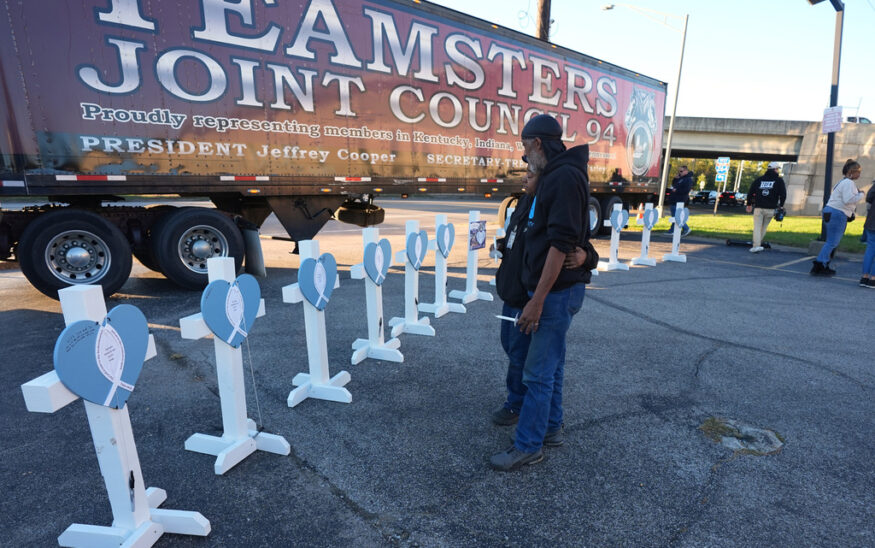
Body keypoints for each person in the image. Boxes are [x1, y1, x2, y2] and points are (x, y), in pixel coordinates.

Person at [489, 114, 590, 471]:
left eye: (524, 147)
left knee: (537, 373)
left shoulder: (562, 177)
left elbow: (561, 245)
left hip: (554, 295)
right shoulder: (556, 176)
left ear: (536, 143)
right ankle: (551, 429)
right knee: (551, 366)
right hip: (554, 292)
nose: (524, 157)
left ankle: (528, 445)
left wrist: (537, 300)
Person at [492, 166, 587, 427]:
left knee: (533, 365)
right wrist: (504, 245)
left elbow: (574, 246)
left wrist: (587, 257)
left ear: (544, 180)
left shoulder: (553, 205)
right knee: (513, 350)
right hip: (511, 293)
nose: (524, 178)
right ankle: (544, 420)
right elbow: (521, 240)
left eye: (530, 174)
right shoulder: (524, 202)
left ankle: (521, 409)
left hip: (528, 299)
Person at [811, 159, 865, 276]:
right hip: (837, 213)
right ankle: (820, 265)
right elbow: (848, 200)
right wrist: (861, 195)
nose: (859, 175)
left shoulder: (841, 182)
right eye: (858, 172)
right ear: (851, 172)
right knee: (832, 242)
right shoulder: (849, 183)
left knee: (830, 242)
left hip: (830, 211)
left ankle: (821, 264)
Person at [745, 161, 787, 253]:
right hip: (770, 209)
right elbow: (783, 195)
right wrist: (781, 206)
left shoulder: (759, 180)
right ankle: (757, 245)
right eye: (777, 169)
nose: (778, 171)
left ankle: (756, 245)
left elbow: (751, 192)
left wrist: (749, 204)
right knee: (763, 227)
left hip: (758, 208)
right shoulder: (779, 181)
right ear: (775, 169)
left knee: (757, 226)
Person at [666, 165, 693, 236]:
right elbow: (674, 185)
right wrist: (675, 179)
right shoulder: (681, 178)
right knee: (674, 216)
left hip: (679, 199)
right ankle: (672, 230)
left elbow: (686, 190)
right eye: (679, 171)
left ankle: (686, 228)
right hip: (674, 199)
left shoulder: (688, 179)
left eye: (681, 171)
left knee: (676, 216)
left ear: (686, 171)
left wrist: (676, 190)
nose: (679, 173)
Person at [860, 181, 875, 288]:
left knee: (870, 249)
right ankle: (873, 279)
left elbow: (869, 197)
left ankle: (864, 277)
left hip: (872, 220)